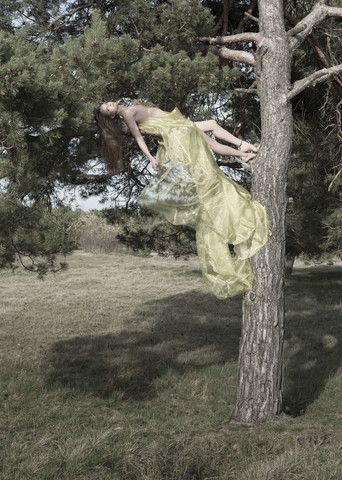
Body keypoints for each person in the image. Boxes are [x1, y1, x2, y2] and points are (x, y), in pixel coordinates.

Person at [96, 101, 268, 299]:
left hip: (178, 123)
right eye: (107, 108)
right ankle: (243, 153)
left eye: (108, 103)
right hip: (176, 130)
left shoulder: (129, 107)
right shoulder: (126, 114)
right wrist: (150, 158)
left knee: (212, 125)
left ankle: (243, 148)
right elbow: (137, 136)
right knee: (210, 143)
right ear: (111, 116)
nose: (110, 104)